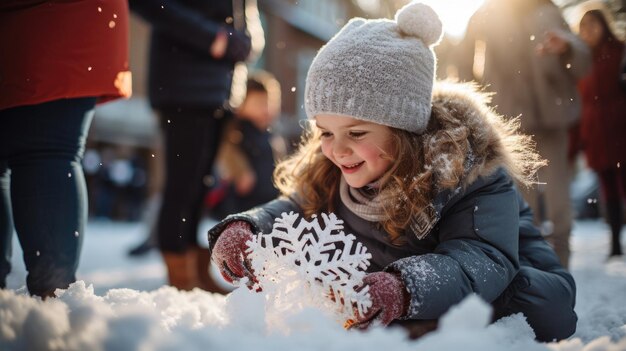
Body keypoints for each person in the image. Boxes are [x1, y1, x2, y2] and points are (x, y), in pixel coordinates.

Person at [206, 2, 577, 342]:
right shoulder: (334, 169)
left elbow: (480, 256)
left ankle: (432, 317)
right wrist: (247, 227)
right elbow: (295, 208)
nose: (337, 149)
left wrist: (404, 288)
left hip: (506, 275)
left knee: (542, 307)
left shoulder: (468, 173)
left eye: (356, 133)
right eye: (325, 133)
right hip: (400, 280)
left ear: (404, 130)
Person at [129, 0, 264, 292]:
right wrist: (214, 38)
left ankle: (196, 270)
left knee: (200, 187)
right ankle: (180, 278)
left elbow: (245, 15)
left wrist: (250, 41)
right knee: (182, 186)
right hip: (184, 87)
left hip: (223, 90)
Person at [0, 0, 131, 297]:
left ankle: (53, 301)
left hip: (57, 17)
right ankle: (52, 300)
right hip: (73, 18)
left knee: (46, 149)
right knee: (47, 151)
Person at [460, 0, 591, 269]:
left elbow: (583, 60)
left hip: (552, 121)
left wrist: (565, 47)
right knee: (522, 207)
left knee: (559, 202)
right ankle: (532, 271)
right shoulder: (485, 15)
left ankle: (562, 267)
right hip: (510, 127)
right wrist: (479, 106)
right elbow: (462, 64)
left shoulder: (549, 10)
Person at [569, 4, 626, 258]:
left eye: (593, 25)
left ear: (604, 25)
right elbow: (577, 101)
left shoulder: (619, 52)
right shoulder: (580, 61)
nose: (588, 31)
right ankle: (615, 243)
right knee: (609, 190)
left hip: (620, 126)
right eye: (583, 27)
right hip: (597, 133)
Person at [208, 70, 285, 220]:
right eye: (259, 104)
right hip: (242, 206)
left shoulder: (271, 135)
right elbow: (227, 153)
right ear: (242, 103)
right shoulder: (237, 132)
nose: (266, 110)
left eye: (270, 103)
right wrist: (239, 169)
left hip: (267, 203)